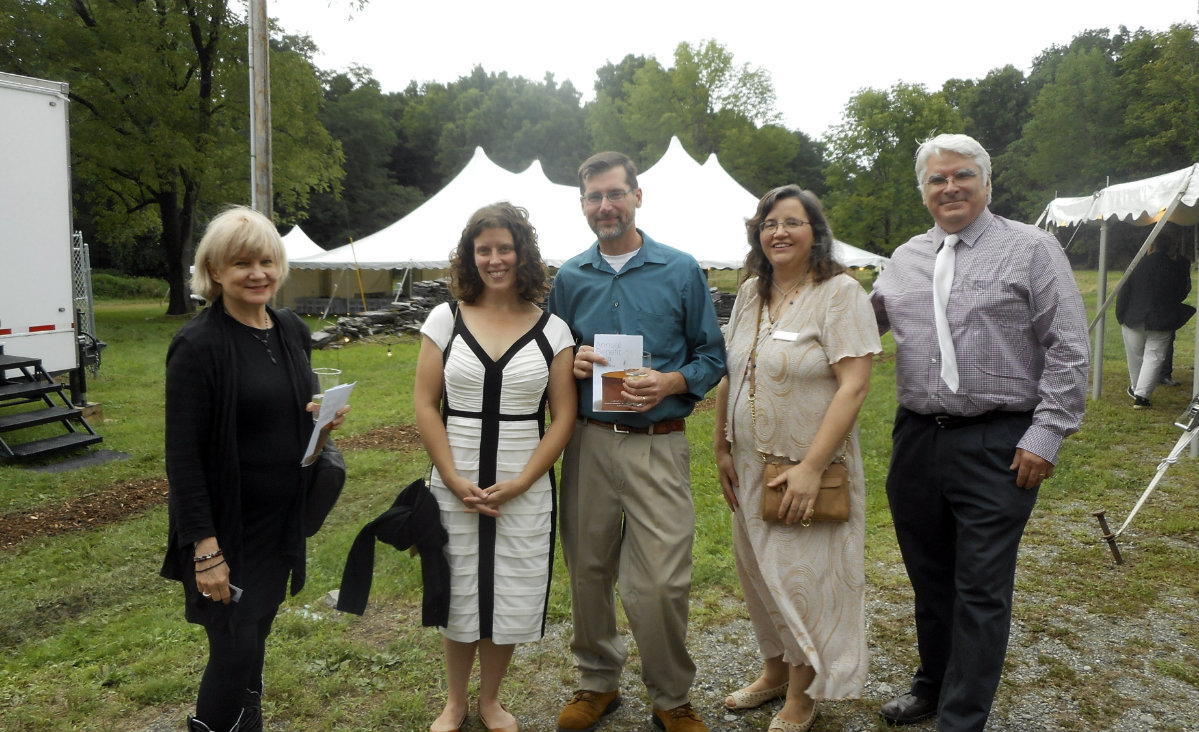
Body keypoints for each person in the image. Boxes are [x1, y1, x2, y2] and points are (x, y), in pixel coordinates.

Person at [870, 134, 1089, 732]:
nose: (950, 188)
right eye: (937, 180)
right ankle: (932, 686)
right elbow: (860, 328)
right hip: (917, 439)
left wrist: (1045, 437)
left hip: (999, 439)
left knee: (981, 586)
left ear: (986, 182)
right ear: (923, 191)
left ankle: (961, 720)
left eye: (962, 175)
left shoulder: (1031, 249)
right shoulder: (906, 257)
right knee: (929, 576)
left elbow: (1069, 350)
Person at [547, 151, 726, 732]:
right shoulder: (570, 278)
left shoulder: (679, 269)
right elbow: (552, 357)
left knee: (662, 581)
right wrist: (573, 362)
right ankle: (597, 682)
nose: (606, 206)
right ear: (583, 206)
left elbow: (712, 356)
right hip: (589, 442)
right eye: (594, 197)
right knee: (589, 570)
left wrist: (672, 381)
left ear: (637, 196)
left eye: (615, 193)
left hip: (659, 443)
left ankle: (672, 696)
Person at [162, 206, 349, 732]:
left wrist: (319, 422)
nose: (258, 273)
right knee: (232, 645)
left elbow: (292, 408)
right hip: (229, 528)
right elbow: (183, 458)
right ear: (215, 271)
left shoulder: (289, 329)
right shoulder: (198, 346)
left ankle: (249, 722)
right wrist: (205, 549)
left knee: (255, 633)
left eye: (267, 260)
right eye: (241, 262)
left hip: (280, 521)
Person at [714, 185, 880, 732]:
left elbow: (854, 386)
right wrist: (720, 446)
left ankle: (803, 694)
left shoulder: (839, 293)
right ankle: (773, 672)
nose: (779, 232)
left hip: (810, 469)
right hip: (749, 462)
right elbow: (733, 373)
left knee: (805, 582)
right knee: (759, 577)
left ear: (816, 232)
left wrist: (810, 467)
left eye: (792, 222)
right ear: (757, 235)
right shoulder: (748, 295)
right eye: (768, 223)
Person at [414, 203, 577, 732]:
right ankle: (455, 702)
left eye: (504, 248)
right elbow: (424, 404)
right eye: (483, 249)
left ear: (522, 252)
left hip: (522, 484)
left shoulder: (554, 331)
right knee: (459, 590)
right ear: (470, 255)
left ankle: (491, 701)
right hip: (454, 479)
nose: (494, 259)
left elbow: (563, 417)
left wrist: (524, 482)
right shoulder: (445, 319)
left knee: (509, 591)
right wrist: (453, 478)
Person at [1117, 237, 1193, 407]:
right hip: (1162, 318)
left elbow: (1124, 291)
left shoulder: (1136, 264)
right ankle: (1141, 396)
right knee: (1154, 356)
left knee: (1135, 356)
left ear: (1151, 246)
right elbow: (1180, 294)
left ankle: (1137, 388)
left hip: (1133, 316)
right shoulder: (1176, 268)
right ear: (1170, 247)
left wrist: (1120, 314)